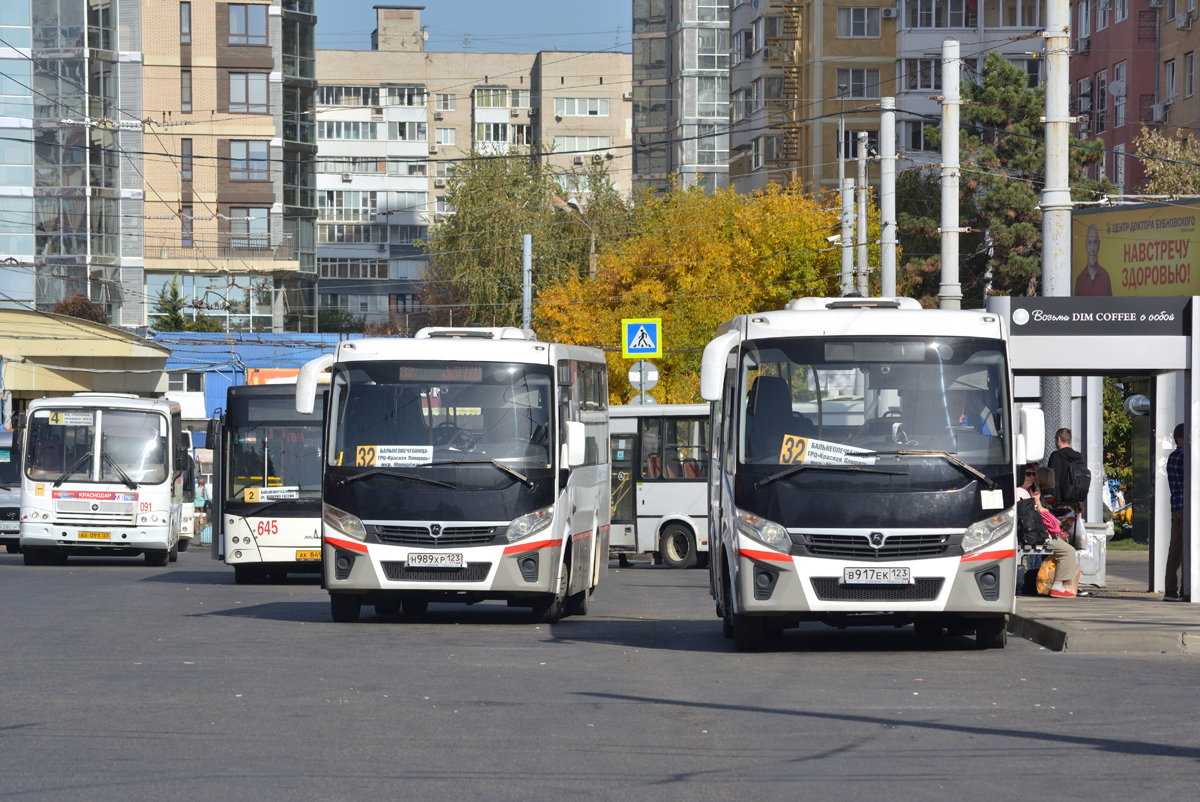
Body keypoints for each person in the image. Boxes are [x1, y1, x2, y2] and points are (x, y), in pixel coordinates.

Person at [1033, 467, 1081, 598]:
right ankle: (1059, 586)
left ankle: (1061, 584)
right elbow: (1044, 512)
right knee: (1068, 551)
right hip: (1040, 533)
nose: (1033, 479)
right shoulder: (1039, 496)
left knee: (1067, 550)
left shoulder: (1039, 494)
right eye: (1030, 474)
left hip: (1040, 532)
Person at [1165, 424, 1186, 602]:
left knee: (1175, 550)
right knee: (1189, 549)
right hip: (1188, 508)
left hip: (1175, 508)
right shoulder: (1186, 457)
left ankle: (1170, 591)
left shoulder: (1172, 457)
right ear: (1180, 439)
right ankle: (1188, 588)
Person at [1046, 428, 1085, 508]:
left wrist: (1051, 502)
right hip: (1074, 502)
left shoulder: (1056, 456)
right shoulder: (1078, 457)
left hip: (1060, 502)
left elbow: (1053, 480)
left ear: (1058, 439)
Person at [1075, 224, 1113, 296]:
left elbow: (1110, 306)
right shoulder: (1080, 280)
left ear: (1099, 245)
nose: (1092, 249)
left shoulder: (1105, 277)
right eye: (1089, 243)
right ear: (1086, 246)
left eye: (1095, 243)